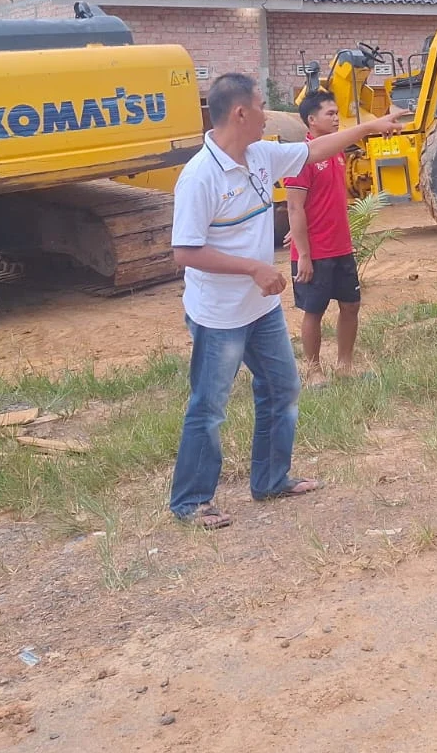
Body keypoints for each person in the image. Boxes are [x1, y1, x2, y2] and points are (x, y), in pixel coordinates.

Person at [168, 73, 407, 530]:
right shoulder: (199, 176)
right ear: (240, 113)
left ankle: (271, 479)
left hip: (260, 311)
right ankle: (191, 501)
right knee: (209, 406)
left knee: (282, 388)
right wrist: (254, 268)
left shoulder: (260, 156)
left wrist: (370, 127)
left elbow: (316, 149)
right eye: (261, 105)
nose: (268, 113)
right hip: (219, 315)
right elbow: (185, 251)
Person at [284, 90, 362, 383]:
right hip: (314, 253)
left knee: (350, 306)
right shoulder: (299, 159)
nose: (336, 118)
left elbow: (321, 201)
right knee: (314, 311)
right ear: (311, 120)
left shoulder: (336, 152)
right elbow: (294, 206)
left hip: (341, 246)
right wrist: (303, 253)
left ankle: (344, 365)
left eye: (336, 112)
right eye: (330, 114)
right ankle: (314, 369)